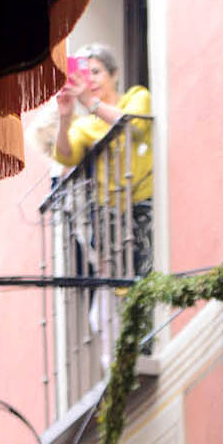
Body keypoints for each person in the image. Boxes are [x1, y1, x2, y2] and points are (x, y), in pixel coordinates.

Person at [52, 43, 154, 275]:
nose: (92, 81)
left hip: (143, 202)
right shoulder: (84, 125)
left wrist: (90, 103)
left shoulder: (137, 96)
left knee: (149, 274)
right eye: (85, 75)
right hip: (109, 215)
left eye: (96, 72)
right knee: (123, 285)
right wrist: (65, 117)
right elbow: (66, 156)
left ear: (114, 74)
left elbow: (134, 125)